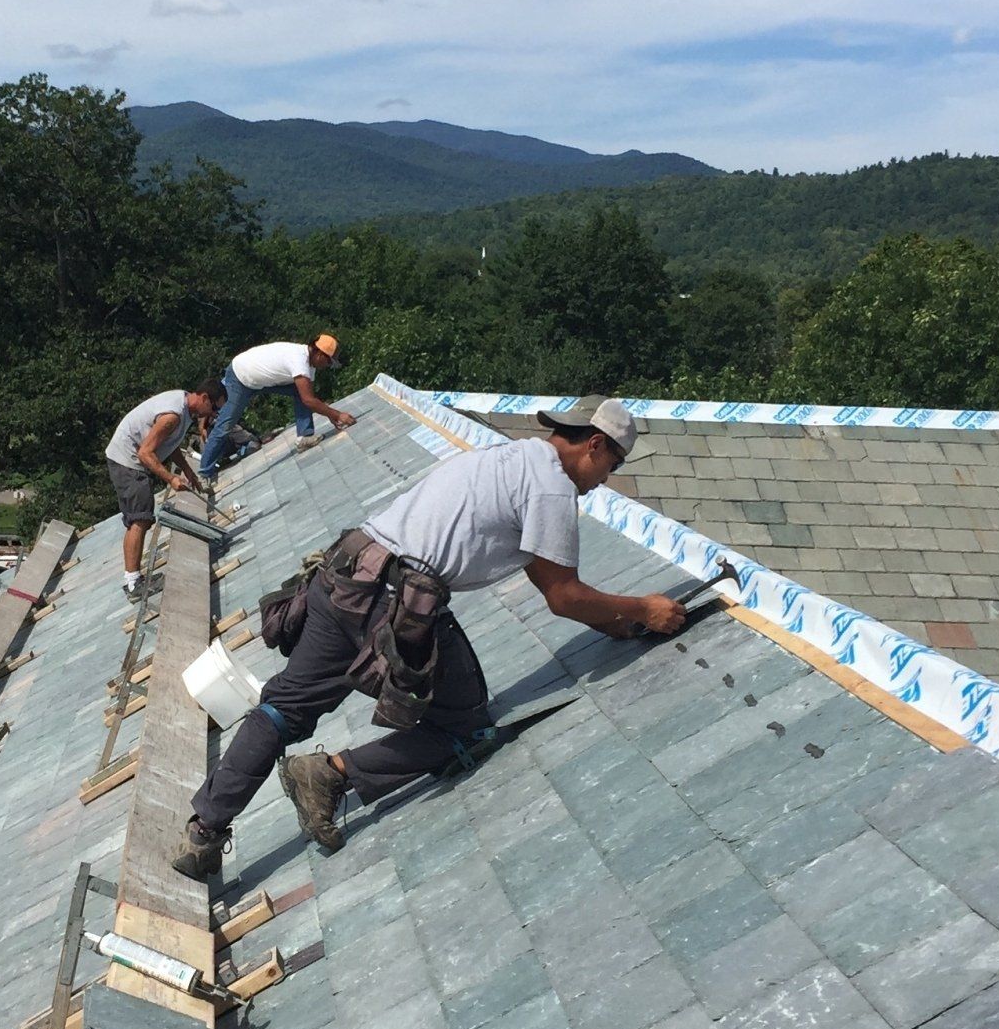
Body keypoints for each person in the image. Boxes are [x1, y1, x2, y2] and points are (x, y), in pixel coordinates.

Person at [174, 399, 688, 874]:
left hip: (345, 576)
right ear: (595, 444)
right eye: (613, 466)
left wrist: (614, 624)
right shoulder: (552, 488)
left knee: (281, 709)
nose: (607, 479)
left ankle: (203, 833)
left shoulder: (510, 457)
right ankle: (330, 773)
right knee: (466, 728)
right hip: (395, 606)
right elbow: (562, 595)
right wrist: (644, 608)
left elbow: (545, 574)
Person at [106, 379, 227, 596]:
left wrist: (187, 470)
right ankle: (134, 583)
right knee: (139, 518)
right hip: (128, 461)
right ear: (204, 398)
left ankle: (134, 579)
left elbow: (168, 444)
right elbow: (145, 452)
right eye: (214, 408)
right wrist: (171, 478)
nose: (214, 414)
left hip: (131, 458)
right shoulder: (173, 415)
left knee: (139, 518)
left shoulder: (185, 407)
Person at [195, 334, 354, 483]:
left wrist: (331, 415)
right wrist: (338, 414)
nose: (327, 366)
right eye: (328, 362)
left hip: (258, 380)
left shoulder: (308, 365)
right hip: (240, 377)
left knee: (298, 391)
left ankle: (305, 436)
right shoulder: (298, 360)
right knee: (226, 424)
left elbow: (307, 397)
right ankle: (204, 472)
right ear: (320, 354)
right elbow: (309, 400)